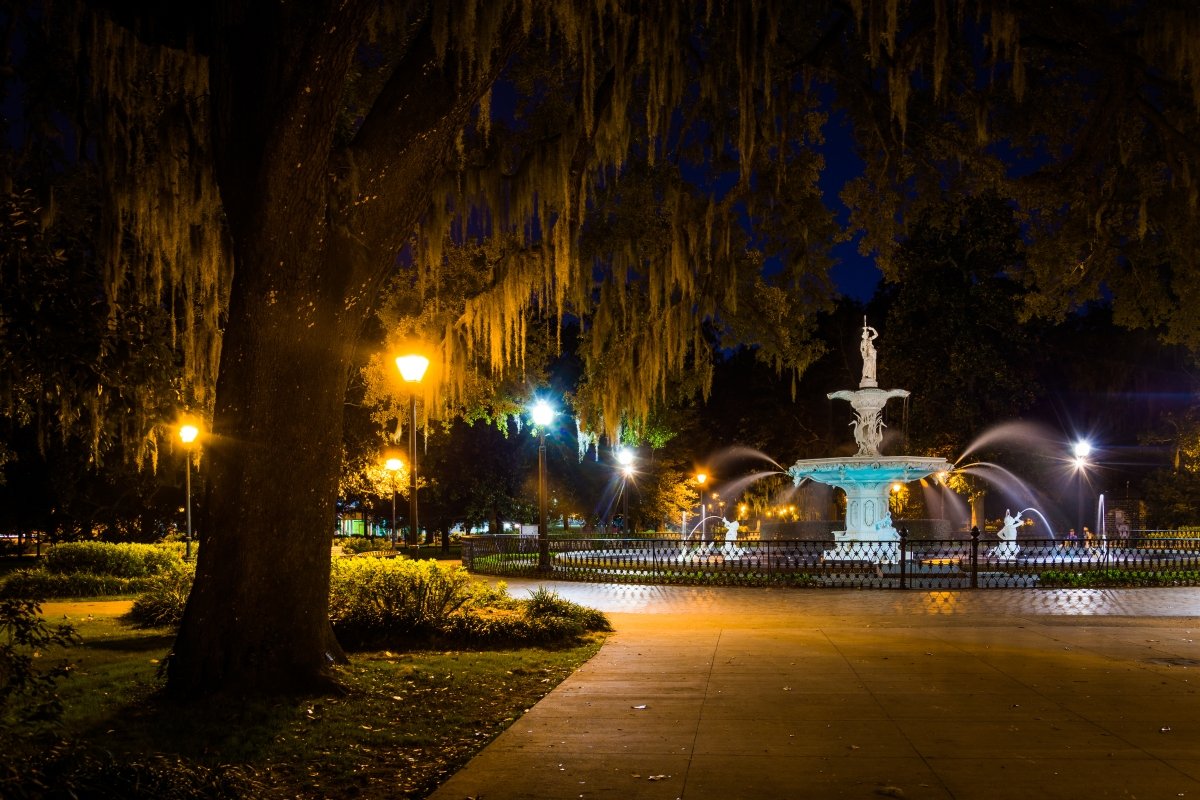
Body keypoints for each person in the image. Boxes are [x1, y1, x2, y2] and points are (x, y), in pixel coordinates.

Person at [860, 320, 879, 386]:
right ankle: (865, 376)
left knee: (871, 365)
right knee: (868, 363)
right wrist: (864, 350)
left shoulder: (870, 339)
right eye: (866, 334)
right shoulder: (863, 342)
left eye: (867, 334)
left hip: (873, 355)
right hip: (867, 355)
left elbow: (876, 335)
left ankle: (870, 376)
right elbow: (862, 350)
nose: (867, 335)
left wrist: (872, 329)